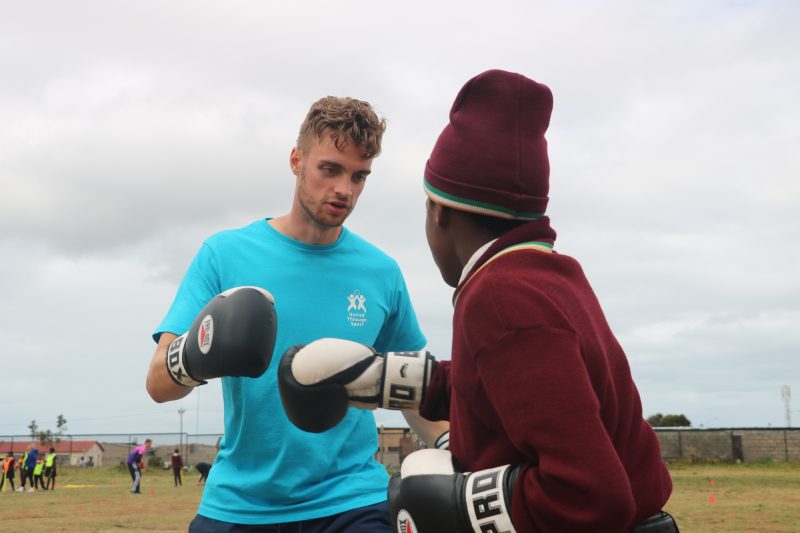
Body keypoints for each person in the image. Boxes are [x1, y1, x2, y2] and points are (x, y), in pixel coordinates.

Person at [281, 70, 678, 533]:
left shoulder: (500, 297)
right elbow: (517, 382)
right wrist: (409, 382)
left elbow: (590, 493)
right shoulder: (549, 275)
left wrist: (456, 507)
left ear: (440, 212)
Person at [146, 95, 447, 532]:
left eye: (359, 176)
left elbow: (414, 389)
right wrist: (195, 355)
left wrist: (454, 443)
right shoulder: (224, 255)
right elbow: (158, 384)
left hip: (352, 500)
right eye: (330, 169)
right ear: (296, 160)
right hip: (240, 503)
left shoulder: (381, 273)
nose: (344, 189)